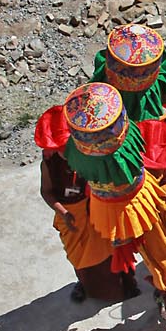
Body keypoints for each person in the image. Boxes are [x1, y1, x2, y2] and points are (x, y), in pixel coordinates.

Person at [62, 81, 166, 324]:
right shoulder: (114, 158)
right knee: (159, 253)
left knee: (159, 254)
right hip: (133, 207)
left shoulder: (86, 156)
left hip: (122, 208)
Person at [35, 105, 119, 303]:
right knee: (78, 257)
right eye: (59, 148)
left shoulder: (91, 154)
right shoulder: (49, 163)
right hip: (70, 216)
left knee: (108, 251)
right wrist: (63, 212)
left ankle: (119, 284)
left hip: (95, 209)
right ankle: (85, 284)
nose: (64, 152)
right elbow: (46, 191)